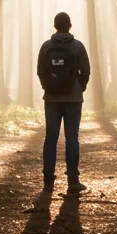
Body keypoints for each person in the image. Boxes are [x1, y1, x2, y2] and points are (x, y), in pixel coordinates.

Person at [36, 11, 91, 194]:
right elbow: (86, 72)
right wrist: (78, 88)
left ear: (55, 26)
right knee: (72, 139)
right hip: (73, 99)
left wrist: (49, 88)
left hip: (51, 99)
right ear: (70, 25)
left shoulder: (45, 47)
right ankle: (73, 181)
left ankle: (48, 182)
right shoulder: (78, 47)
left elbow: (41, 71)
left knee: (50, 139)